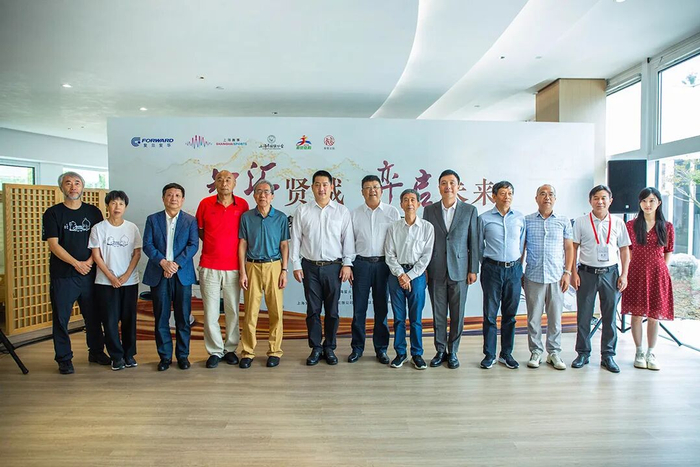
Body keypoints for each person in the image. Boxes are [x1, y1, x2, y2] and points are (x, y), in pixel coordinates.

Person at [42, 171, 109, 374]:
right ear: (61, 187)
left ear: (82, 187)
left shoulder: (93, 212)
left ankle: (96, 352)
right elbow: (54, 244)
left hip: (90, 273)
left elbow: (99, 242)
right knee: (61, 319)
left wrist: (88, 262)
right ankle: (64, 358)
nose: (73, 187)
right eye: (68, 183)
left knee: (94, 316)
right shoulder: (53, 213)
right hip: (63, 275)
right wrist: (76, 263)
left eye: (77, 183)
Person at [290, 170, 355, 366]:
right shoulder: (303, 210)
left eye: (325, 184)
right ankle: (316, 347)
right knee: (313, 310)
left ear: (332, 187)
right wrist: (295, 264)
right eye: (317, 184)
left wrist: (347, 264)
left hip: (334, 267)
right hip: (309, 267)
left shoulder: (341, 211)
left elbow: (347, 240)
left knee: (332, 310)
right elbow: (296, 239)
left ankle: (330, 347)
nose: (321, 188)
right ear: (312, 187)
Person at [571, 185, 631, 373]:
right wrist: (573, 273)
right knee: (584, 316)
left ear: (610, 201)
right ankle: (583, 353)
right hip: (586, 273)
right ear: (590, 201)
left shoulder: (618, 223)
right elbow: (573, 248)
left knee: (610, 316)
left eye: (604, 198)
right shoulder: (581, 222)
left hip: (610, 274)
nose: (600, 201)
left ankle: (608, 355)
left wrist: (624, 274)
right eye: (596, 198)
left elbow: (624, 250)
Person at [423, 169, 479, 369]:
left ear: (458, 186)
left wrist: (473, 269)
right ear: (439, 187)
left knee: (457, 314)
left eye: (452, 183)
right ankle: (440, 351)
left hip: (460, 270)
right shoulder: (429, 210)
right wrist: (425, 268)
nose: (448, 187)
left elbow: (474, 241)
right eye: (444, 183)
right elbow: (425, 241)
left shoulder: (469, 210)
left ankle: (453, 351)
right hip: (435, 269)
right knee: (438, 313)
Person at [142, 183, 199, 371]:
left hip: (182, 274)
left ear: (182, 200)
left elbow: (193, 245)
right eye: (169, 195)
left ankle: (183, 356)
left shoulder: (190, 221)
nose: (173, 198)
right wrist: (163, 263)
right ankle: (165, 357)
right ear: (163, 198)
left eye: (177, 195)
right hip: (159, 273)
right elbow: (148, 245)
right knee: (161, 317)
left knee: (183, 317)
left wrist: (175, 264)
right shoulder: (153, 219)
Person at [196, 170, 249, 369]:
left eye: (228, 179)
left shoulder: (242, 205)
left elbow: (245, 236)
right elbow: (200, 231)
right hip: (209, 265)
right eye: (220, 179)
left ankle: (230, 349)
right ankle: (215, 351)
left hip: (234, 267)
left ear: (234, 184)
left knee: (232, 310)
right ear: (215, 183)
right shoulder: (205, 204)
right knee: (210, 312)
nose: (224, 182)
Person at [348, 175, 400, 364]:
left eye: (376, 187)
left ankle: (381, 349)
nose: (372, 191)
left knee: (381, 309)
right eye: (368, 188)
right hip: (361, 265)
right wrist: (349, 265)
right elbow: (349, 242)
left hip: (384, 265)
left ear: (381, 190)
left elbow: (397, 241)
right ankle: (357, 348)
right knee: (359, 309)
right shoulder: (354, 214)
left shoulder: (392, 212)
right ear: (362, 192)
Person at [238, 180, 290, 368]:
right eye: (259, 191)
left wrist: (284, 270)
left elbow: (284, 245)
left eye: (266, 192)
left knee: (276, 312)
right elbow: (242, 244)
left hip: (274, 266)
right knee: (250, 313)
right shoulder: (246, 217)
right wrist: (242, 271)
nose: (262, 195)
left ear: (272, 196)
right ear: (254, 195)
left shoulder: (281, 218)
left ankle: (274, 351)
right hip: (252, 266)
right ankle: (247, 352)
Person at [622, 187, 674, 371]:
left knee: (654, 316)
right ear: (640, 203)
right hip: (636, 273)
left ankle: (651, 352)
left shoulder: (667, 226)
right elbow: (628, 251)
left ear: (658, 203)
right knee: (636, 315)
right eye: (644, 201)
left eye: (652, 201)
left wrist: (660, 270)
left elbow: (668, 251)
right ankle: (639, 351)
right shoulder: (631, 225)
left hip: (658, 274)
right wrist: (629, 271)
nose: (648, 204)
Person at [89, 190, 142, 371]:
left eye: (120, 203)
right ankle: (116, 356)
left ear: (125, 207)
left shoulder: (132, 228)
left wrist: (126, 275)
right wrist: (111, 277)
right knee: (110, 320)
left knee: (129, 319)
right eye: (113, 203)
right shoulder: (98, 228)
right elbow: (96, 255)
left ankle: (129, 354)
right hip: (105, 282)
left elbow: (137, 253)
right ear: (107, 206)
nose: (117, 207)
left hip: (129, 281)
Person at [523, 184, 574, 370]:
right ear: (536, 198)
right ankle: (536, 351)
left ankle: (554, 352)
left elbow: (569, 248)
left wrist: (567, 273)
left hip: (556, 277)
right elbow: (522, 247)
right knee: (533, 318)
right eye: (543, 194)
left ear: (555, 199)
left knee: (555, 318)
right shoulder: (527, 220)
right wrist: (519, 272)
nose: (547, 197)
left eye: (551, 194)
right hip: (533, 276)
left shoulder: (563, 221)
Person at [479, 181, 526, 370]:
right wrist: (487, 263)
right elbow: (478, 245)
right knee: (490, 315)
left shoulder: (520, 218)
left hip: (514, 270)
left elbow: (522, 244)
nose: (507, 197)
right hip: (492, 269)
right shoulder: (484, 218)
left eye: (510, 193)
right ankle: (489, 355)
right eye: (503, 193)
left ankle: (506, 354)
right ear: (494, 196)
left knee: (510, 315)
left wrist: (517, 265)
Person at [385, 189, 434, 370]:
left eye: (413, 200)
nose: (409, 203)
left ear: (419, 204)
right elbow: (389, 254)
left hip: (417, 276)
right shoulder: (394, 227)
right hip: (396, 276)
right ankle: (400, 353)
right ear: (401, 204)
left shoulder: (427, 228)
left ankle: (417, 354)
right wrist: (401, 274)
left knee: (416, 319)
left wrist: (410, 276)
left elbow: (426, 257)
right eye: (405, 200)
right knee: (399, 318)